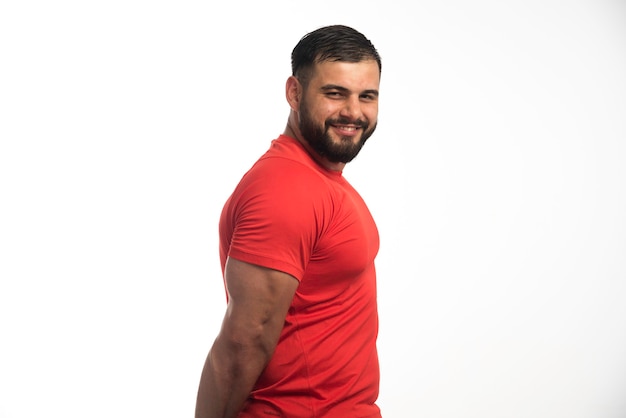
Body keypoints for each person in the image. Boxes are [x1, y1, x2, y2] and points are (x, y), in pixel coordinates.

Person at [195, 24, 383, 418]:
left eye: (367, 96)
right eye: (334, 93)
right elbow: (244, 341)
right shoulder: (286, 189)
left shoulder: (320, 179)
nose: (353, 111)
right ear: (294, 93)